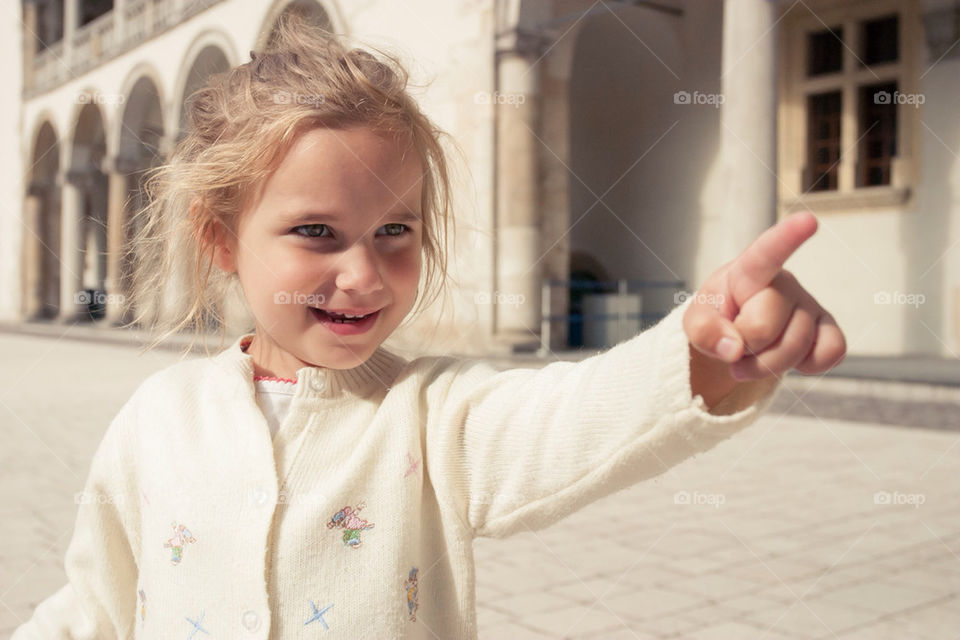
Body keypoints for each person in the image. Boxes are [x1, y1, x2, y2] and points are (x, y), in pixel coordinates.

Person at [11, 13, 845, 640]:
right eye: (316, 233)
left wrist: (704, 352)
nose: (365, 275)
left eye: (394, 232)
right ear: (221, 236)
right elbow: (96, 603)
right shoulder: (158, 418)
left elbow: (570, 418)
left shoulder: (432, 416)